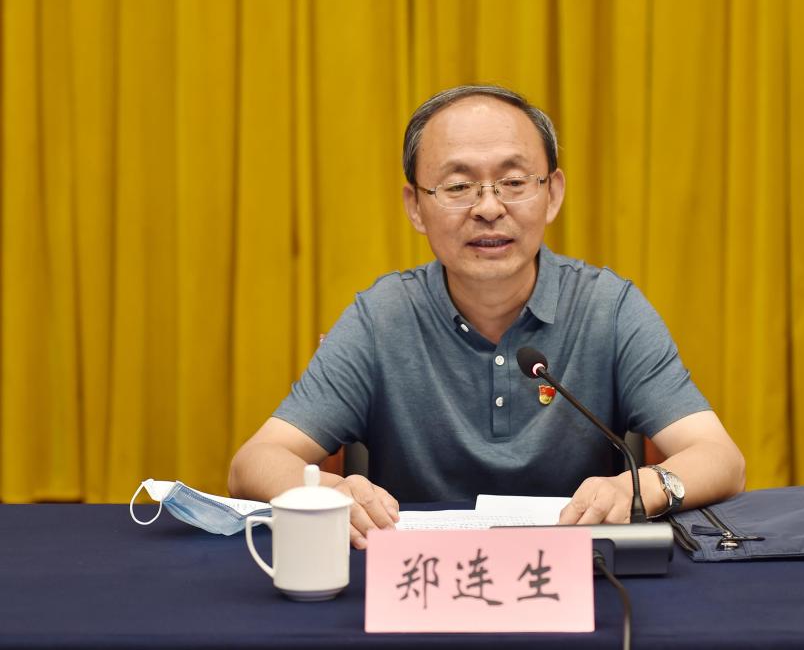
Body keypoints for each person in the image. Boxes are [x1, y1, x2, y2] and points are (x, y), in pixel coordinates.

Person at [228, 85, 745, 549]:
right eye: (458, 187)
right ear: (415, 206)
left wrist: (642, 486)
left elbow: (720, 457)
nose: (489, 208)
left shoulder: (609, 309)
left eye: (513, 181)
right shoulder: (380, 318)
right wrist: (330, 490)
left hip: (580, 580)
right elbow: (255, 461)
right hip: (418, 585)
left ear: (552, 194)